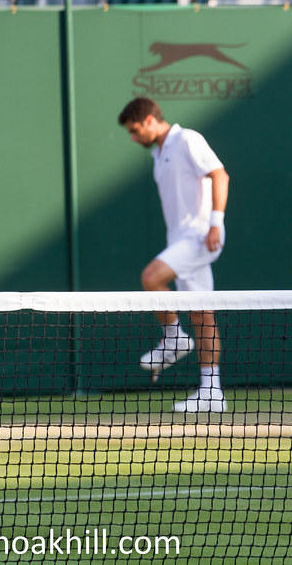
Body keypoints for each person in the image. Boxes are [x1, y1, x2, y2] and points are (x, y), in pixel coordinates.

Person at [118, 97, 230, 412]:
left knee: (151, 278)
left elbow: (220, 175)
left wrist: (215, 225)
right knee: (202, 314)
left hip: (199, 238)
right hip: (180, 240)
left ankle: (174, 338)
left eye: (135, 129)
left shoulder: (187, 140)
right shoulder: (159, 154)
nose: (133, 137)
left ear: (151, 120)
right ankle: (212, 392)